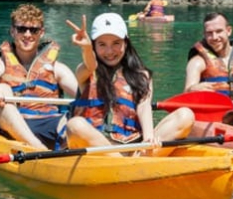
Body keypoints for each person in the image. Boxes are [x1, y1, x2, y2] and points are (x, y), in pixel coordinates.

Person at [67, 12, 194, 153]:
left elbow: (144, 107)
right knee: (75, 125)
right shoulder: (86, 72)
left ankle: (138, 161)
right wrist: (86, 48)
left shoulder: (142, 75)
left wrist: (149, 138)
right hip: (96, 150)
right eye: (102, 44)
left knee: (185, 115)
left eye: (116, 43)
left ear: (125, 43)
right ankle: (124, 163)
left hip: (132, 147)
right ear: (94, 46)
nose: (109, 51)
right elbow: (90, 64)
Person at [0, 4, 82, 150]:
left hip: (48, 123)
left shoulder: (57, 68)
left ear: (41, 33)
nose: (27, 34)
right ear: (13, 31)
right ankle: (38, 148)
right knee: (2, 88)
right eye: (21, 29)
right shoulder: (0, 65)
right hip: (10, 125)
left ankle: (71, 152)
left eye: (33, 30)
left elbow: (83, 93)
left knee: (77, 118)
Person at [184, 12, 233, 101]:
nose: (214, 37)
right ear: (204, 34)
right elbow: (186, 93)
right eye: (209, 33)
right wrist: (192, 89)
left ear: (228, 31)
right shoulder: (197, 63)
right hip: (213, 111)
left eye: (219, 31)